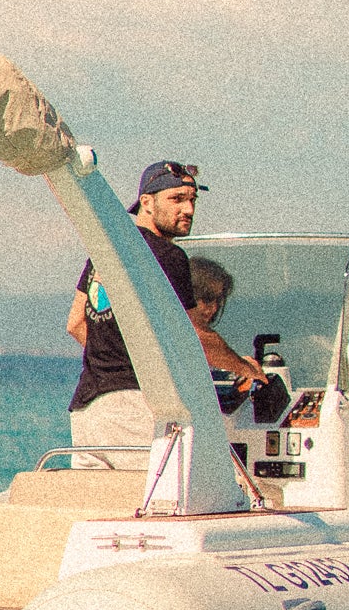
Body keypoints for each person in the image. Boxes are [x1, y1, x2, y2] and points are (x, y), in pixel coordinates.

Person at [66, 163, 266, 464]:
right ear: (146, 202)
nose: (188, 209)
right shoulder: (167, 255)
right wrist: (244, 368)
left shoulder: (106, 250)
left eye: (192, 200)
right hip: (135, 409)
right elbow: (198, 336)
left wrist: (122, 359)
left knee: (106, 505)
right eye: (177, 199)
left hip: (87, 411)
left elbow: (76, 323)